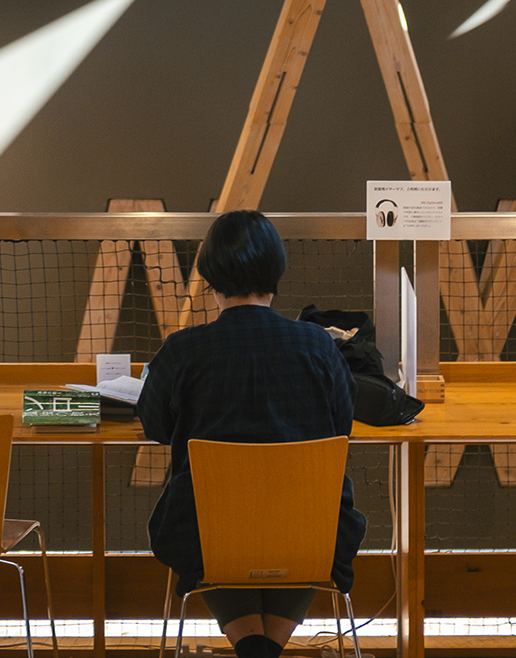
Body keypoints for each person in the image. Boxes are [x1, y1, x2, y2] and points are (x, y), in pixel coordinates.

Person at [138, 211, 366, 658]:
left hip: (206, 534)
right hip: (311, 532)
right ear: (275, 269)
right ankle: (263, 649)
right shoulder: (318, 345)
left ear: (209, 274)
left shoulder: (182, 350)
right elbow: (341, 425)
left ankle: (253, 648)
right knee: (305, 518)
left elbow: (156, 425)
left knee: (216, 519)